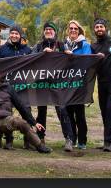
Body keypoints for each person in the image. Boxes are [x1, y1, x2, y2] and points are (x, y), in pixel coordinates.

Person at [32, 21, 76, 152]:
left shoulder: (61, 44)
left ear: (55, 32)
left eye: (51, 29)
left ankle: (69, 139)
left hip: (57, 83)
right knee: (41, 111)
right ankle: (40, 138)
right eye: (46, 29)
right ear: (44, 32)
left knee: (62, 110)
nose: (48, 31)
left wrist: (69, 54)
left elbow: (71, 59)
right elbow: (30, 59)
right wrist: (42, 53)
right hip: (41, 83)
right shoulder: (39, 45)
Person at [0, 24, 31, 149]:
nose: (14, 35)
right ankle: (8, 140)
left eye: (17, 33)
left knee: (26, 112)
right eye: (12, 33)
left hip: (23, 87)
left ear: (21, 35)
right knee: (6, 114)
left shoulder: (27, 50)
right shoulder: (2, 49)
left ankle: (28, 141)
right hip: (7, 87)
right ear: (9, 34)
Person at [90, 18, 111, 152]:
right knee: (104, 112)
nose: (99, 29)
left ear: (105, 28)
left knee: (109, 111)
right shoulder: (93, 46)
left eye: (101, 27)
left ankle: (107, 142)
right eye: (97, 27)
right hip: (101, 83)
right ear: (94, 30)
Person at [63, 20, 92, 150]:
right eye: (71, 28)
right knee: (69, 113)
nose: (73, 30)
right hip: (67, 85)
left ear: (79, 30)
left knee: (79, 114)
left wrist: (73, 56)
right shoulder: (64, 45)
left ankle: (82, 140)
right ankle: (72, 139)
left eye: (75, 28)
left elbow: (87, 62)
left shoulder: (84, 45)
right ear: (68, 30)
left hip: (80, 84)